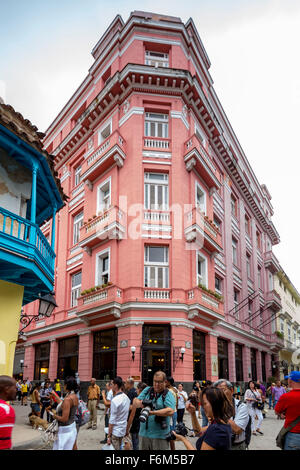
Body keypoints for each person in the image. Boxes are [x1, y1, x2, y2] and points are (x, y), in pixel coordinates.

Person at [132, 370, 176, 450]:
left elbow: (170, 411)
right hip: (143, 434)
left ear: (165, 382)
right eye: (155, 381)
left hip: (160, 436)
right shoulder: (148, 390)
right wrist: (140, 403)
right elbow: (135, 401)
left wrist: (152, 412)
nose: (156, 384)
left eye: (159, 382)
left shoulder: (168, 394)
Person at [214, 379, 250, 450]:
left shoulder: (241, 406)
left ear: (231, 390)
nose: (220, 393)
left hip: (236, 446)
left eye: (223, 390)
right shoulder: (215, 406)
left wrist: (220, 412)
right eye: (217, 391)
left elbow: (237, 430)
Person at [51, 376, 79, 450]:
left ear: (67, 385)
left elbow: (64, 419)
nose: (63, 386)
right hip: (72, 426)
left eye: (64, 384)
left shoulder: (68, 399)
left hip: (65, 430)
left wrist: (55, 416)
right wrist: (55, 395)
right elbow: (64, 405)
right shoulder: (74, 396)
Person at [274, 371, 300, 450]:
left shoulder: (286, 397)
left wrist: (283, 413)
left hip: (294, 435)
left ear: (290, 381)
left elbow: (276, 411)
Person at [107, 376, 130, 450]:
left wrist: (108, 436)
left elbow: (112, 420)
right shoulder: (126, 398)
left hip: (116, 431)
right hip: (122, 429)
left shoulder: (115, 400)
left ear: (116, 385)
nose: (111, 386)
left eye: (112, 384)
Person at [126, 382, 148, 450]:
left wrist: (127, 429)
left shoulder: (136, 400)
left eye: (137, 389)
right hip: (146, 427)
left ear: (141, 390)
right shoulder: (148, 400)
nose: (136, 391)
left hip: (136, 427)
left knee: (136, 446)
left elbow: (132, 416)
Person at [0, 376, 16, 450]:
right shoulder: (6, 410)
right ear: (7, 389)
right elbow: (3, 444)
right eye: (14, 388)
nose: (16, 390)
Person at [166, 376, 178, 450]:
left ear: (169, 382)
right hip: (175, 411)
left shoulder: (169, 391)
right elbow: (177, 403)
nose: (164, 383)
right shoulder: (174, 390)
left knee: (170, 433)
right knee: (172, 432)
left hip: (171, 413)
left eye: (166, 382)